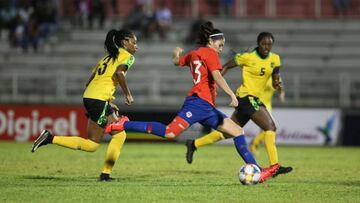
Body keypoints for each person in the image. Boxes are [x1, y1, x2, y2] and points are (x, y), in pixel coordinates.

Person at [105, 22, 277, 183]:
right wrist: (232, 95)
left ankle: (258, 170)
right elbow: (217, 76)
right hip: (197, 104)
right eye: (220, 43)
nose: (221, 47)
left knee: (237, 131)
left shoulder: (195, 53)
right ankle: (123, 124)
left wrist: (176, 54)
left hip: (206, 106)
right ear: (211, 41)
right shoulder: (210, 54)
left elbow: (177, 62)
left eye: (223, 44)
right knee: (170, 132)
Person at [31, 29, 138, 182]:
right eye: (134, 42)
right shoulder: (127, 56)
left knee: (119, 134)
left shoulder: (106, 58)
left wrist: (107, 101)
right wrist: (127, 94)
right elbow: (119, 74)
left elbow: (90, 82)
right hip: (97, 99)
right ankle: (50, 138)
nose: (136, 46)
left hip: (92, 97)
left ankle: (105, 174)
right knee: (93, 145)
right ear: (124, 42)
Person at [185, 32, 292, 178]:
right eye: (263, 44)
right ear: (258, 43)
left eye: (269, 44)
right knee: (270, 127)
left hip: (254, 98)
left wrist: (277, 84)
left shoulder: (275, 59)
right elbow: (226, 66)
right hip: (245, 97)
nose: (266, 47)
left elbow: (274, 80)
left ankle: (194, 144)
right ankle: (275, 166)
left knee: (230, 131)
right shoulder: (247, 57)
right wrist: (214, 83)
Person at [249, 77, 285, 154]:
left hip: (268, 105)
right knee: (270, 127)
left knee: (266, 129)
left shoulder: (276, 78)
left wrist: (281, 93)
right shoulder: (261, 75)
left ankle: (255, 145)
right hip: (257, 103)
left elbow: (279, 87)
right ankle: (253, 144)